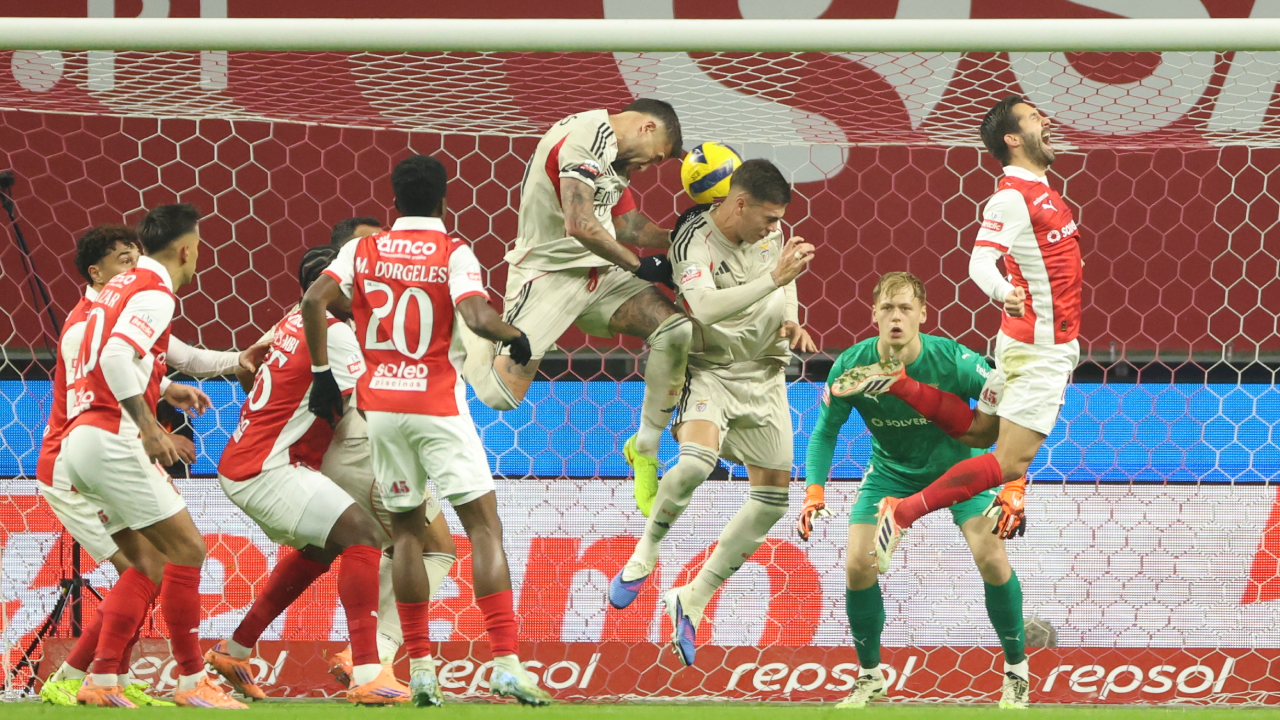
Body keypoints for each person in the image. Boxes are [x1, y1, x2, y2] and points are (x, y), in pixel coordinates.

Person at [302, 155, 551, 706]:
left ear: (394, 201)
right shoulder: (452, 250)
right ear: (444, 199)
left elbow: (314, 298)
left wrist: (322, 374)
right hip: (437, 405)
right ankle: (506, 664)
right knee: (483, 528)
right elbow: (477, 317)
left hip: (381, 410)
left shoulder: (363, 249)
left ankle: (418, 669)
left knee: (408, 535)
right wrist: (516, 336)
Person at [39, 225, 262, 707]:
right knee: (156, 567)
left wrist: (216, 367)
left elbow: (181, 357)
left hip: (87, 447)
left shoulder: (111, 310)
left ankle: (106, 680)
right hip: (75, 458)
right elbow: (108, 369)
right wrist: (151, 426)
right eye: (123, 258)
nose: (134, 265)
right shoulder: (93, 318)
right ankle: (97, 676)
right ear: (96, 273)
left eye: (136, 255)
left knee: (150, 569)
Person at [862, 96, 1081, 579]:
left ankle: (902, 385)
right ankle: (901, 513)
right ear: (1012, 138)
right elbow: (979, 261)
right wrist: (1005, 292)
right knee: (1008, 462)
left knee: (980, 431)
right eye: (1033, 117)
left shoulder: (1041, 190)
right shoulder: (1013, 197)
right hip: (1040, 349)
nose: (1046, 120)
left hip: (1024, 343)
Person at [607, 159, 815, 667]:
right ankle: (645, 553)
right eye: (768, 218)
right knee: (696, 463)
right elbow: (701, 308)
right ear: (739, 204)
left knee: (772, 501)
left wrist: (792, 319)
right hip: (713, 371)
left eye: (778, 220)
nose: (775, 227)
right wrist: (774, 278)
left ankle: (692, 597)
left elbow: (785, 283)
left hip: (766, 376)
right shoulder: (692, 240)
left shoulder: (771, 231)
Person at [797, 272, 1029, 709]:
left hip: (961, 470)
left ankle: (1016, 672)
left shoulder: (954, 361)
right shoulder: (851, 366)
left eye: (905, 308)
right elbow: (825, 432)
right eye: (887, 308)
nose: (896, 317)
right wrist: (813, 491)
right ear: (874, 314)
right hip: (891, 474)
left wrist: (1014, 482)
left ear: (923, 314)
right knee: (857, 565)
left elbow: (1014, 410)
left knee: (992, 556)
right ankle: (869, 676)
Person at [205, 245, 416, 705]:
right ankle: (368, 673)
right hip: (267, 469)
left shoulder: (291, 320)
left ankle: (233, 650)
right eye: (356, 283)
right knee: (363, 535)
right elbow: (370, 406)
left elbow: (252, 373)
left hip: (251, 459)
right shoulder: (334, 334)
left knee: (322, 549)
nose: (365, 292)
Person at [460, 99, 692, 515]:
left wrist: (689, 237)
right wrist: (641, 266)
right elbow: (579, 224)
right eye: (656, 157)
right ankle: (463, 321)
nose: (649, 167)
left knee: (677, 330)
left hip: (600, 275)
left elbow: (628, 226)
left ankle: (644, 447)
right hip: (550, 276)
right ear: (647, 126)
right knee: (500, 397)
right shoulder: (587, 136)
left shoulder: (616, 156)